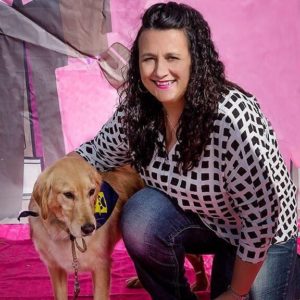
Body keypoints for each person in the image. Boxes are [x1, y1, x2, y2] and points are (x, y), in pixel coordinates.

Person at [74, 2, 298, 299]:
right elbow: (96, 154)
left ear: (195, 60)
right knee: (141, 215)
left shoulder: (230, 117)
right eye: (148, 59)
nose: (159, 71)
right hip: (205, 220)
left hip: (263, 235)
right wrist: (52, 185)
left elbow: (260, 221)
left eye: (172, 58)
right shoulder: (137, 111)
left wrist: (235, 291)